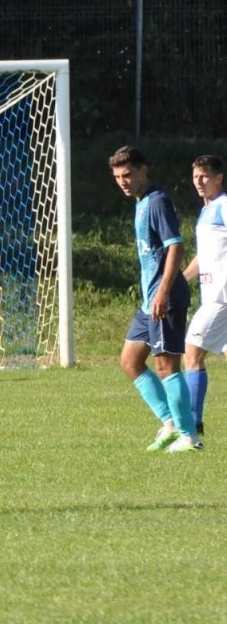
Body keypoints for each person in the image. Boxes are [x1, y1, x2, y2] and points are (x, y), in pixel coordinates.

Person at [110, 145, 198, 452]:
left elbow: (176, 246)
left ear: (143, 170)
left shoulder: (157, 201)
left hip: (165, 298)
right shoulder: (141, 202)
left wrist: (162, 292)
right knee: (130, 360)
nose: (123, 182)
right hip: (150, 301)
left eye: (128, 174)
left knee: (166, 366)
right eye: (118, 177)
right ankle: (170, 423)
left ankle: (189, 436)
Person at [181, 154, 227, 447]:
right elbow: (205, 256)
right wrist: (179, 280)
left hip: (221, 297)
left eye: (205, 176)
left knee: (192, 352)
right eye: (195, 176)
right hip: (212, 294)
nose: (199, 181)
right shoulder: (206, 210)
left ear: (218, 178)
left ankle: (191, 428)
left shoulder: (224, 205)